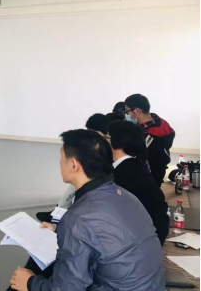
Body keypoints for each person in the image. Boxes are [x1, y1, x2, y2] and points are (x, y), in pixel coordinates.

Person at [9, 129, 165, 291]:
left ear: (74, 164)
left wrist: (29, 283)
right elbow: (107, 235)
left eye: (62, 156)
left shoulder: (78, 217)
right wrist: (60, 230)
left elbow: (67, 288)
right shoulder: (126, 196)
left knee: (23, 279)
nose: (60, 162)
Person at [108, 120, 170, 246]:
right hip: (147, 237)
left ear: (117, 141)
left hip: (141, 242)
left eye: (106, 137)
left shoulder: (125, 172)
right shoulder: (132, 165)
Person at [125, 94, 175, 186]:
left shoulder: (150, 135)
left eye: (127, 111)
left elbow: (138, 155)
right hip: (160, 168)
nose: (126, 115)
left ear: (137, 111)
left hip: (149, 174)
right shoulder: (161, 122)